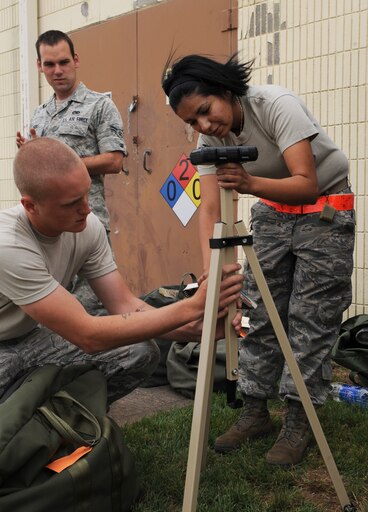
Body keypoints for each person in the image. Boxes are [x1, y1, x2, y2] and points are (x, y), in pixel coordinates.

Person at [162, 53, 355, 466]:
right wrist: (213, 271)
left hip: (324, 209)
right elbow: (210, 210)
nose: (204, 126)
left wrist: (248, 182)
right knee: (255, 311)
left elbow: (306, 183)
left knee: (310, 318)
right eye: (193, 122)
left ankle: (299, 420)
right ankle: (254, 410)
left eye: (205, 111)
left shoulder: (274, 104)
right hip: (271, 213)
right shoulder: (209, 141)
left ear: (224, 90)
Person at [0, 137, 243, 401]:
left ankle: (68, 422)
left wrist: (198, 327)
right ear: (30, 206)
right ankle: (25, 417)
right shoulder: (9, 245)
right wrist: (193, 306)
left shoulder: (87, 227)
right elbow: (87, 335)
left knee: (139, 351)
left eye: (85, 194)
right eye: (71, 203)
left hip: (27, 338)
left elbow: (126, 305)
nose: (86, 208)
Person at [16, 30, 125, 313]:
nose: (58, 71)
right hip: (47, 229)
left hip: (86, 221)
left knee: (94, 306)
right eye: (49, 64)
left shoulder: (100, 105)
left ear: (76, 60)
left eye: (64, 62)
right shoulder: (40, 114)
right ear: (39, 65)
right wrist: (31, 153)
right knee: (54, 309)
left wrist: (64, 165)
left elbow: (115, 161)